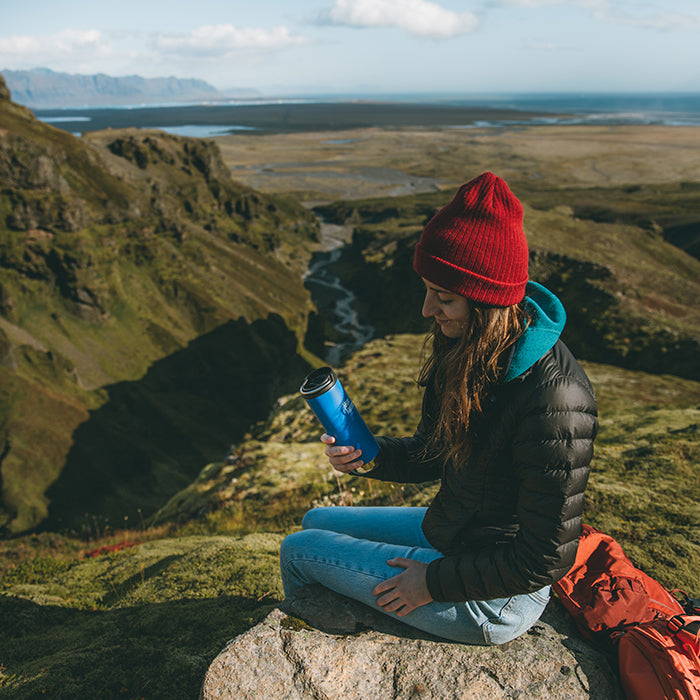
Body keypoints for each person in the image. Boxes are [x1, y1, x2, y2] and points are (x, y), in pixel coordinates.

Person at [280, 171, 598, 645]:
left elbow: (544, 560)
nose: (427, 309)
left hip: (497, 594)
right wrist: (372, 459)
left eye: (444, 297)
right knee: (314, 520)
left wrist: (430, 583)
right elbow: (434, 453)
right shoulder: (467, 345)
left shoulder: (557, 401)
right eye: (427, 289)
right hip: (455, 530)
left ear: (488, 302)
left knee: (298, 550)